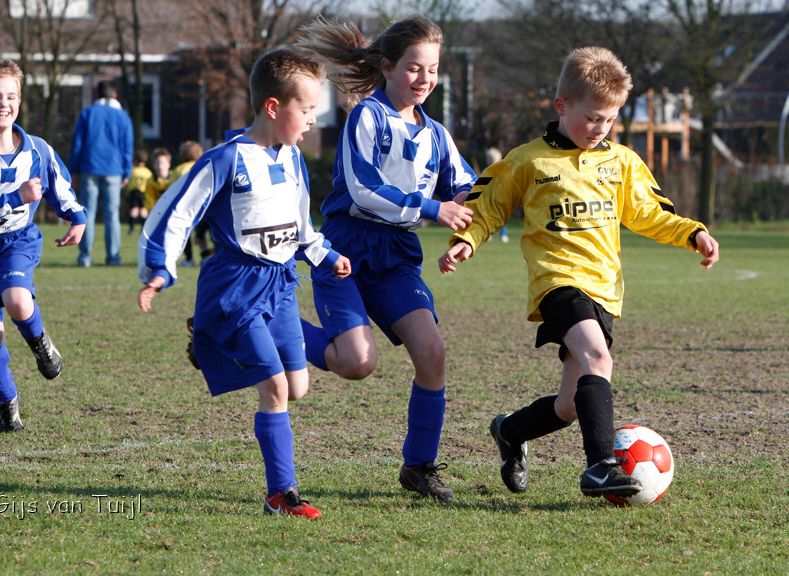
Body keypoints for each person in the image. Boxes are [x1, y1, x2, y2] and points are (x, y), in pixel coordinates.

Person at [438, 46, 719, 499]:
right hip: (557, 282)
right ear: (561, 106)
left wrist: (693, 233)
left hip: (604, 290)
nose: (600, 128)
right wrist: (466, 241)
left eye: (609, 120)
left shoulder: (622, 162)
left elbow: (649, 213)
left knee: (569, 406)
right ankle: (601, 467)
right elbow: (488, 205)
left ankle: (510, 431)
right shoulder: (529, 160)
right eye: (591, 118)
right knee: (598, 360)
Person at [138, 49, 351, 518]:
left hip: (280, 285)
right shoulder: (225, 160)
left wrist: (326, 254)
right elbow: (175, 214)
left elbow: (301, 227)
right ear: (273, 107)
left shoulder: (294, 159)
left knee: (297, 386)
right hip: (236, 287)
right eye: (307, 109)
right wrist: (159, 269)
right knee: (275, 388)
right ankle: (282, 495)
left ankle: (208, 334)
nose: (314, 119)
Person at [296, 14, 476, 502]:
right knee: (357, 363)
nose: (424, 79)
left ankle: (419, 466)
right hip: (345, 249)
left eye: (432, 70)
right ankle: (268, 325)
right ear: (388, 67)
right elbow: (364, 191)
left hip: (396, 256)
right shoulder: (367, 116)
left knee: (432, 353)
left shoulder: (436, 134)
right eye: (414, 68)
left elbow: (468, 186)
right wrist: (434, 208)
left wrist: (470, 229)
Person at [0, 60, 87, 432]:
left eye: (11, 96)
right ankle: (8, 404)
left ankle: (42, 346)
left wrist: (77, 216)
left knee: (17, 299)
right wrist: (15, 196)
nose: (3, 103)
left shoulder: (38, 150)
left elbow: (60, 186)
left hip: (17, 241)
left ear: (20, 103)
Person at [69, 80, 133, 267]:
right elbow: (127, 147)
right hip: (114, 170)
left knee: (87, 213)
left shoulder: (87, 113)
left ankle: (85, 257)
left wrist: (73, 169)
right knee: (112, 215)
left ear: (97, 95)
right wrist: (127, 171)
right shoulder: (123, 117)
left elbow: (77, 145)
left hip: (89, 168)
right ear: (114, 95)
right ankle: (113, 257)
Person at [169, 141, 205, 267]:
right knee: (201, 233)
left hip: (185, 207)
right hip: (203, 206)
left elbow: (173, 189)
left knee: (185, 234)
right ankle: (205, 255)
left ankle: (189, 258)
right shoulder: (203, 165)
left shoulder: (178, 170)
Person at [126, 149, 152, 235]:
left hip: (134, 192)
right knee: (143, 210)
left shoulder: (132, 170)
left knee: (134, 209)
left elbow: (128, 181)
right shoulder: (147, 172)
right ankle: (143, 228)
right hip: (143, 192)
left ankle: (132, 228)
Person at [143, 147, 171, 213]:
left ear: (168, 164)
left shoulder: (175, 179)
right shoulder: (150, 182)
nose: (160, 166)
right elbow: (149, 202)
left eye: (162, 163)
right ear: (153, 165)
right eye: (157, 163)